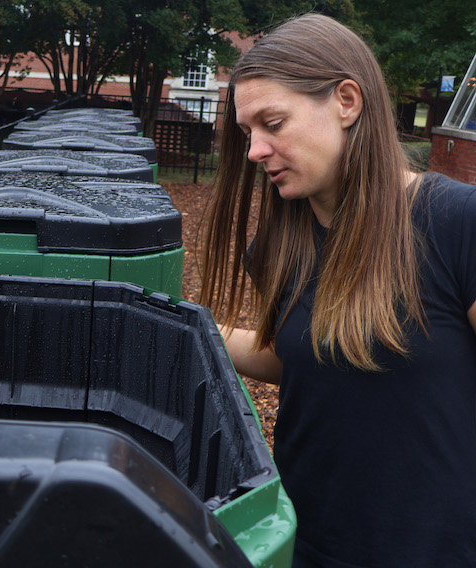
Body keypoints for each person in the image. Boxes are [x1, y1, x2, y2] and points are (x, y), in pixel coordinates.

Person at [199, 13, 476, 568]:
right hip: (305, 542)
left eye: (272, 123)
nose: (254, 150)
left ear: (347, 101)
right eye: (247, 131)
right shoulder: (279, 245)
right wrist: (194, 325)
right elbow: (304, 354)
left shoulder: (456, 223)